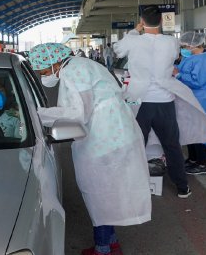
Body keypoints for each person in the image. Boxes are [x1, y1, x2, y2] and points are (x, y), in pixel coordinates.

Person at [30, 43, 151, 255]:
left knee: (99, 194)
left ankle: (103, 249)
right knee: (108, 192)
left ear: (54, 61)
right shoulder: (81, 64)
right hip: (116, 131)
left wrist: (39, 115)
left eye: (45, 71)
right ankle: (111, 242)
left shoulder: (73, 72)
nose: (45, 76)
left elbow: (78, 113)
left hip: (105, 136)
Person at [113, 6, 206, 198]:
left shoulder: (133, 41)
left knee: (137, 144)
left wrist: (135, 31)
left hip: (139, 101)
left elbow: (118, 50)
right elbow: (174, 58)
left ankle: (131, 188)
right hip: (165, 100)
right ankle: (182, 188)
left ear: (142, 22)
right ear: (161, 21)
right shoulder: (171, 42)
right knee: (172, 146)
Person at [174, 31, 206, 174]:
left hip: (202, 98)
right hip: (191, 97)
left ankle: (202, 164)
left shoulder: (204, 60)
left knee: (200, 130)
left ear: (192, 45)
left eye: (185, 46)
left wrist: (178, 74)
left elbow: (198, 82)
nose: (183, 49)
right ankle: (192, 159)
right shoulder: (192, 57)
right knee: (190, 129)